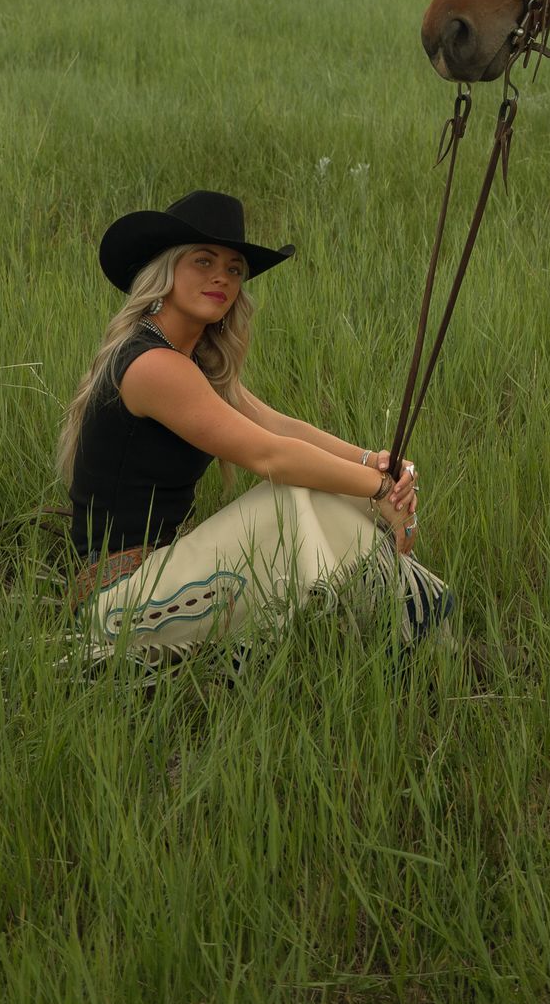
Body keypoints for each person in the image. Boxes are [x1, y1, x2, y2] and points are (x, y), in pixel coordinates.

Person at [58, 188, 452, 663]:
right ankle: (419, 644)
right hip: (117, 604)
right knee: (290, 497)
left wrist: (376, 463)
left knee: (319, 490)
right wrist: (376, 490)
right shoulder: (152, 366)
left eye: (233, 269)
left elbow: (280, 428)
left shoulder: (191, 360)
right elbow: (271, 456)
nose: (221, 278)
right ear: (166, 271)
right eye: (203, 262)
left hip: (162, 573)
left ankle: (416, 640)